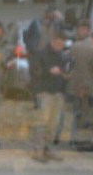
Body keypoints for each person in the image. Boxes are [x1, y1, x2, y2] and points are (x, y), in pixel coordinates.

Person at [29, 18, 71, 161]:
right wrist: (48, 70)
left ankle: (48, 148)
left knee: (54, 123)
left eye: (62, 44)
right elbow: (35, 71)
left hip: (58, 92)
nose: (60, 46)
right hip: (45, 91)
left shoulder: (63, 56)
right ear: (53, 41)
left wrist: (66, 75)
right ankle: (37, 150)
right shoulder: (42, 53)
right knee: (43, 121)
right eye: (58, 43)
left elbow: (66, 71)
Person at [66, 22, 93, 152]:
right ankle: (85, 143)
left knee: (76, 115)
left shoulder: (75, 46)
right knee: (89, 117)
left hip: (74, 87)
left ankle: (74, 139)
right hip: (91, 89)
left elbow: (70, 65)